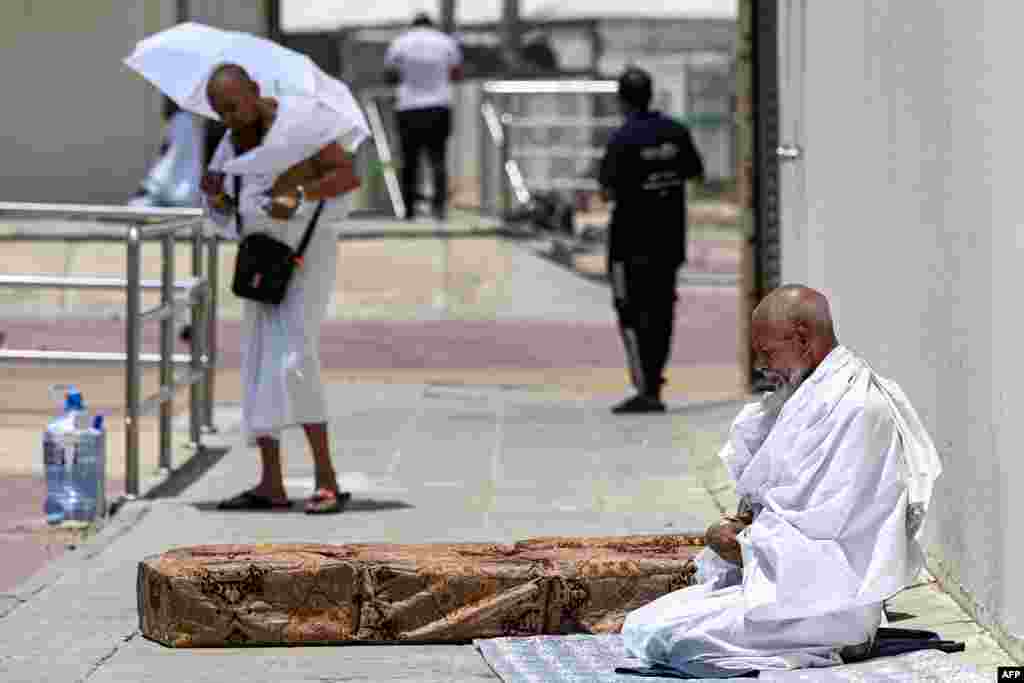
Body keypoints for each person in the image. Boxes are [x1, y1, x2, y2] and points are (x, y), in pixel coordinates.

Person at [621, 284, 943, 678]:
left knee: (667, 637)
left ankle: (833, 644)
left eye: (767, 352)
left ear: (803, 339)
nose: (761, 365)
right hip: (788, 587)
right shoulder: (808, 392)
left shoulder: (856, 407)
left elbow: (829, 534)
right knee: (644, 624)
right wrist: (747, 526)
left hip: (831, 604)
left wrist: (741, 545)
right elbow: (784, 500)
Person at [200, 63, 368, 514]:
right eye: (220, 111)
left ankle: (327, 479)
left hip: (306, 256)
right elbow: (229, 210)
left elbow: (347, 177)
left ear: (255, 91)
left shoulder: (302, 124)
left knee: (295, 360)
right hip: (261, 258)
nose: (229, 117)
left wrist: (300, 192)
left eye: (234, 106)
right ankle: (270, 484)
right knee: (259, 364)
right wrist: (217, 197)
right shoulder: (229, 143)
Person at [598, 67, 704, 414]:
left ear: (621, 100)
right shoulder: (676, 131)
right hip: (669, 240)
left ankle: (645, 389)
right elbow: (694, 172)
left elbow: (607, 189)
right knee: (661, 312)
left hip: (629, 244)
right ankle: (654, 382)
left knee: (630, 312)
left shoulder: (622, 138)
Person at [384, 12, 464, 221]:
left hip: (408, 106)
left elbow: (390, 75)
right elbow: (456, 73)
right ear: (432, 25)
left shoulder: (400, 43)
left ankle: (408, 209)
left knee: (409, 161)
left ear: (413, 25)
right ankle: (439, 208)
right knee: (438, 158)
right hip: (439, 105)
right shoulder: (446, 43)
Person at [129, 97, 204, 207]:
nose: (163, 106)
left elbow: (169, 159)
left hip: (178, 194)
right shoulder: (183, 122)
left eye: (167, 101)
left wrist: (150, 186)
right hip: (180, 191)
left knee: (136, 206)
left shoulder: (180, 121)